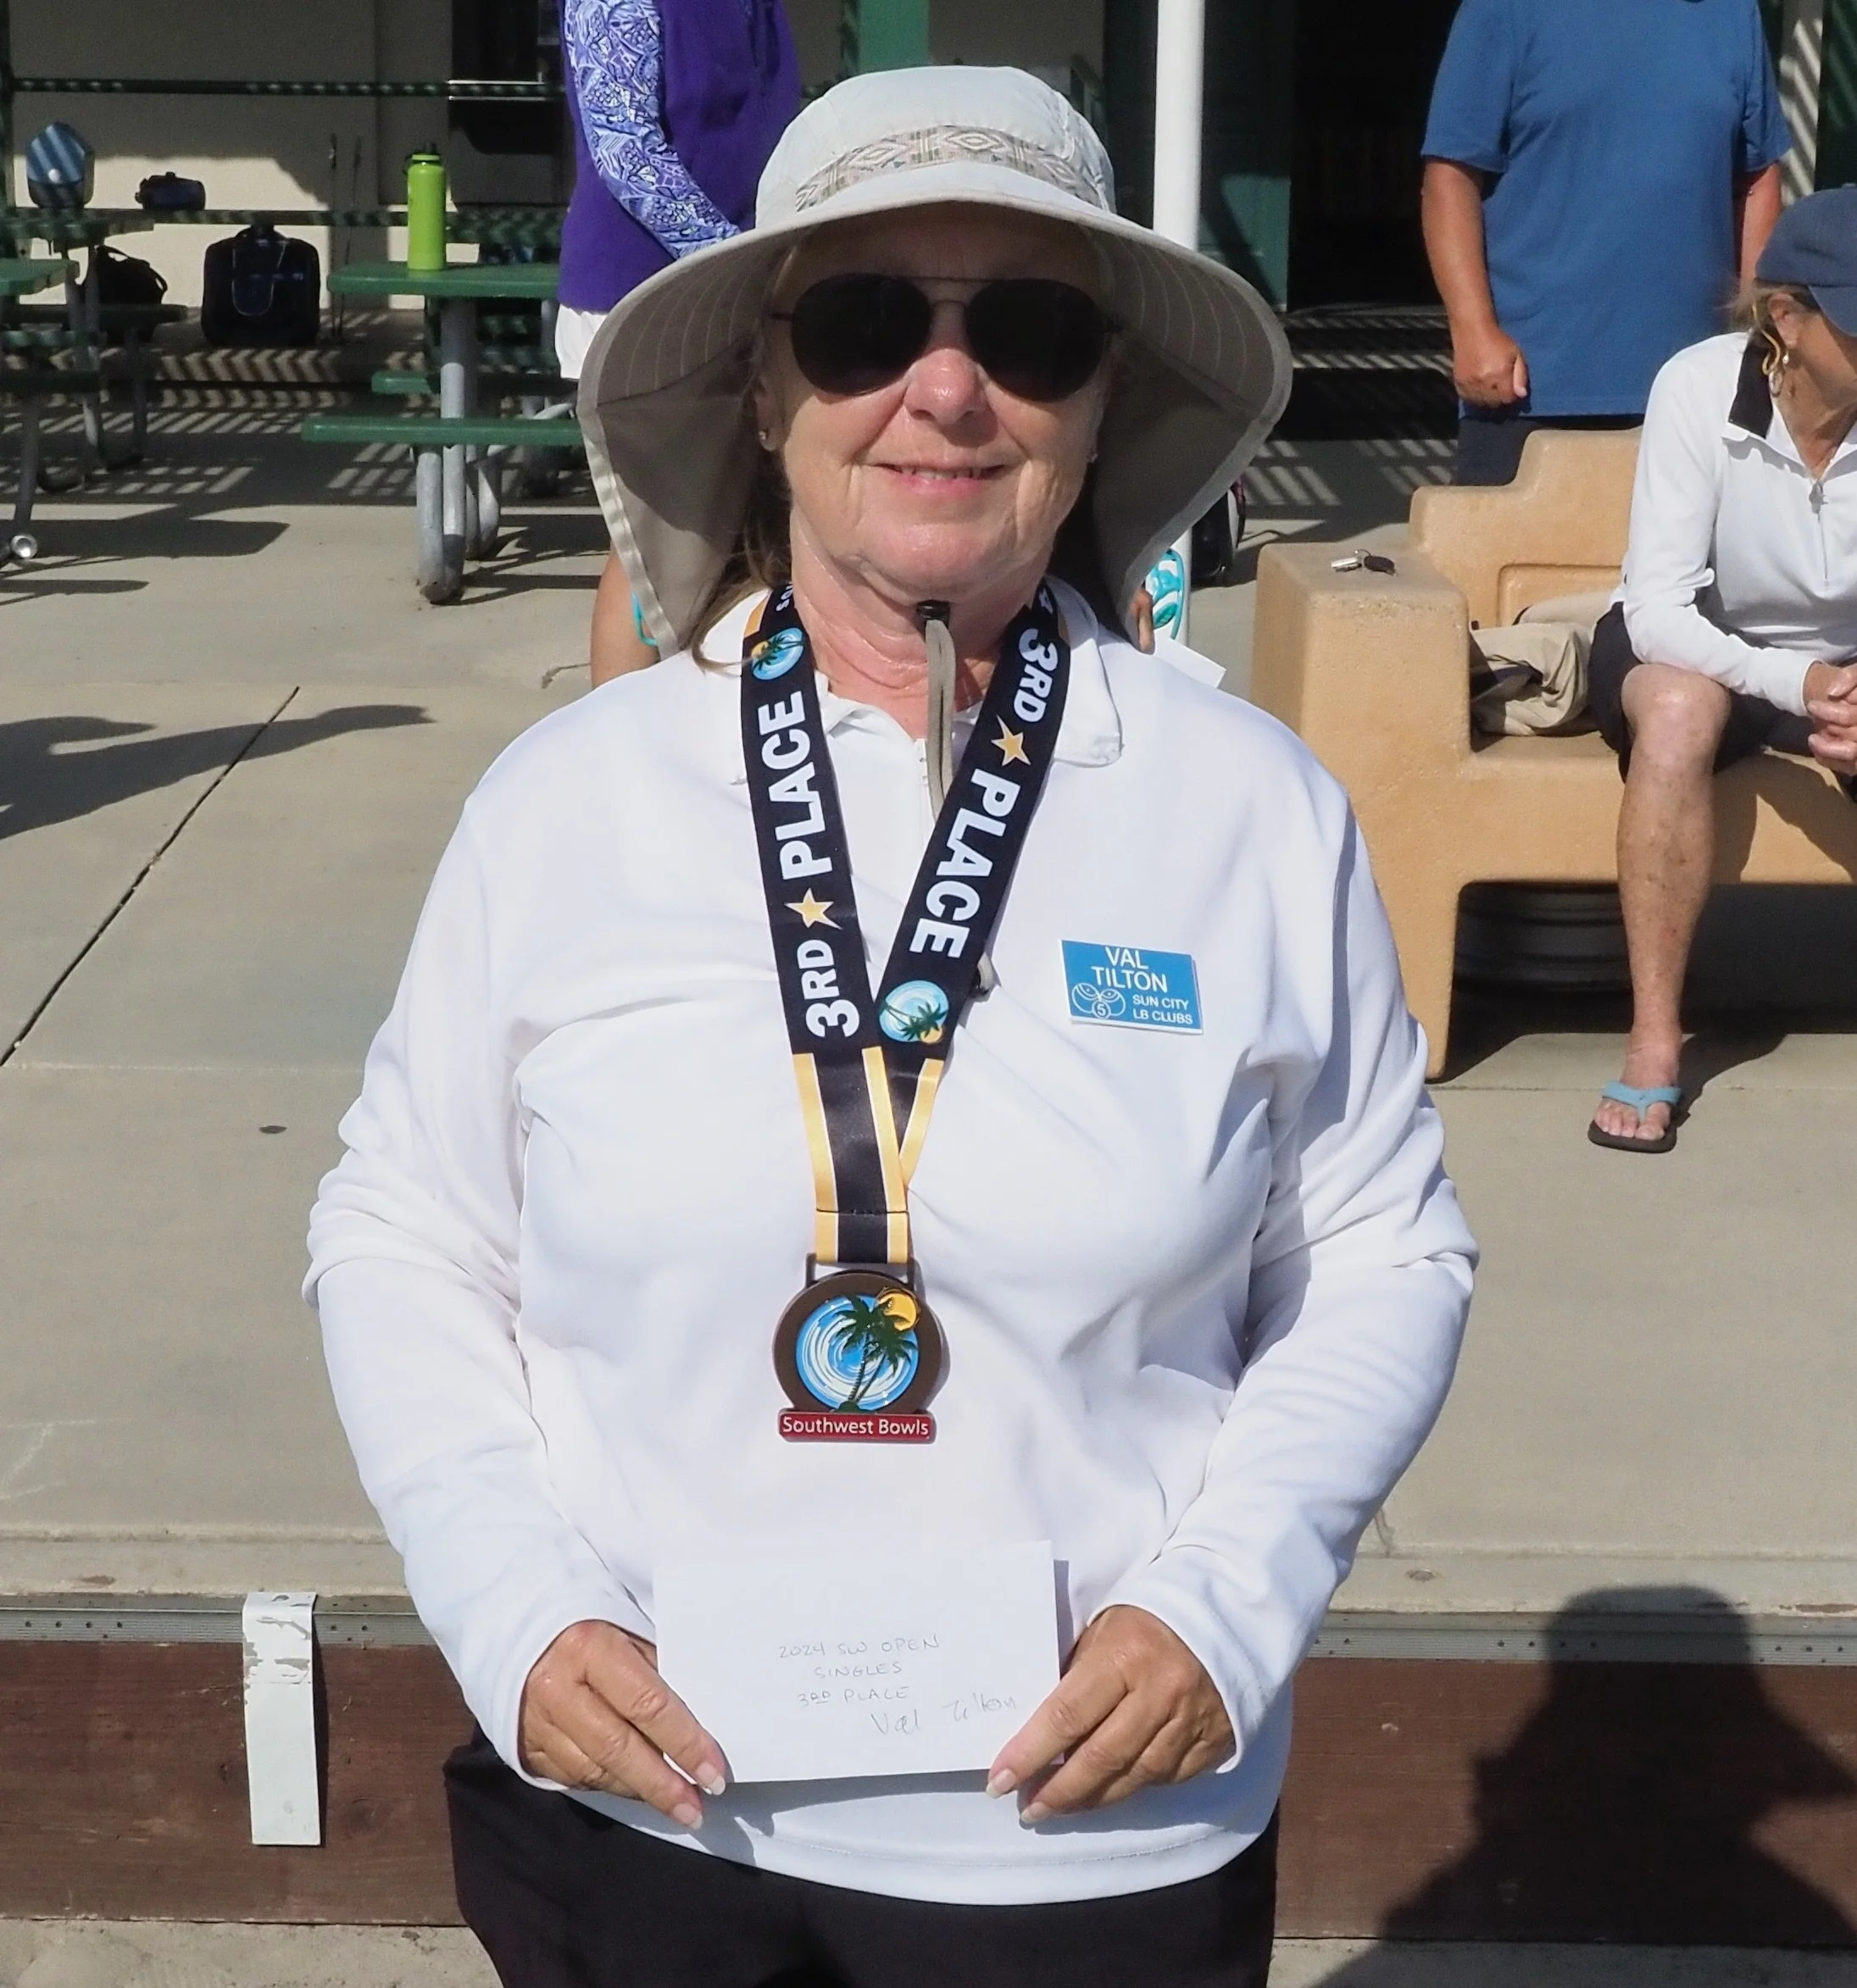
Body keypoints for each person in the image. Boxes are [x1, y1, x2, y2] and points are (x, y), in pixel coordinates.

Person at [309, 68, 1476, 1986]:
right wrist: (512, 1611)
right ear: (768, 392)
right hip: (646, 1820)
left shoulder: (1248, 805)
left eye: (1028, 330)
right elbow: (403, 1228)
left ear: (1102, 411)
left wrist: (1227, 1606)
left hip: (1093, 1849)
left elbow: (1380, 1244)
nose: (947, 391)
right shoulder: (573, 797)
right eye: (865, 325)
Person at [1587, 187, 1857, 1154]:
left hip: (1842, 666)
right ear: (1784, 317)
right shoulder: (1698, 385)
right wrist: (1797, 684)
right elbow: (1655, 605)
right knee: (1671, 709)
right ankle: (1656, 1042)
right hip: (1696, 645)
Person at [1421, 0, 1790, 487]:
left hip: (1697, 388)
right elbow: (1449, 177)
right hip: (1533, 384)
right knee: (1518, 562)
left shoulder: (1730, 14)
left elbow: (1758, 175)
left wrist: (1757, 328)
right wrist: (1472, 330)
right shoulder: (1504, 11)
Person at [555, 0, 798, 683]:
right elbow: (627, 150)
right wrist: (738, 261)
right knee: (657, 543)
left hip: (744, 291)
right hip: (638, 300)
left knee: (755, 538)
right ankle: (620, 740)